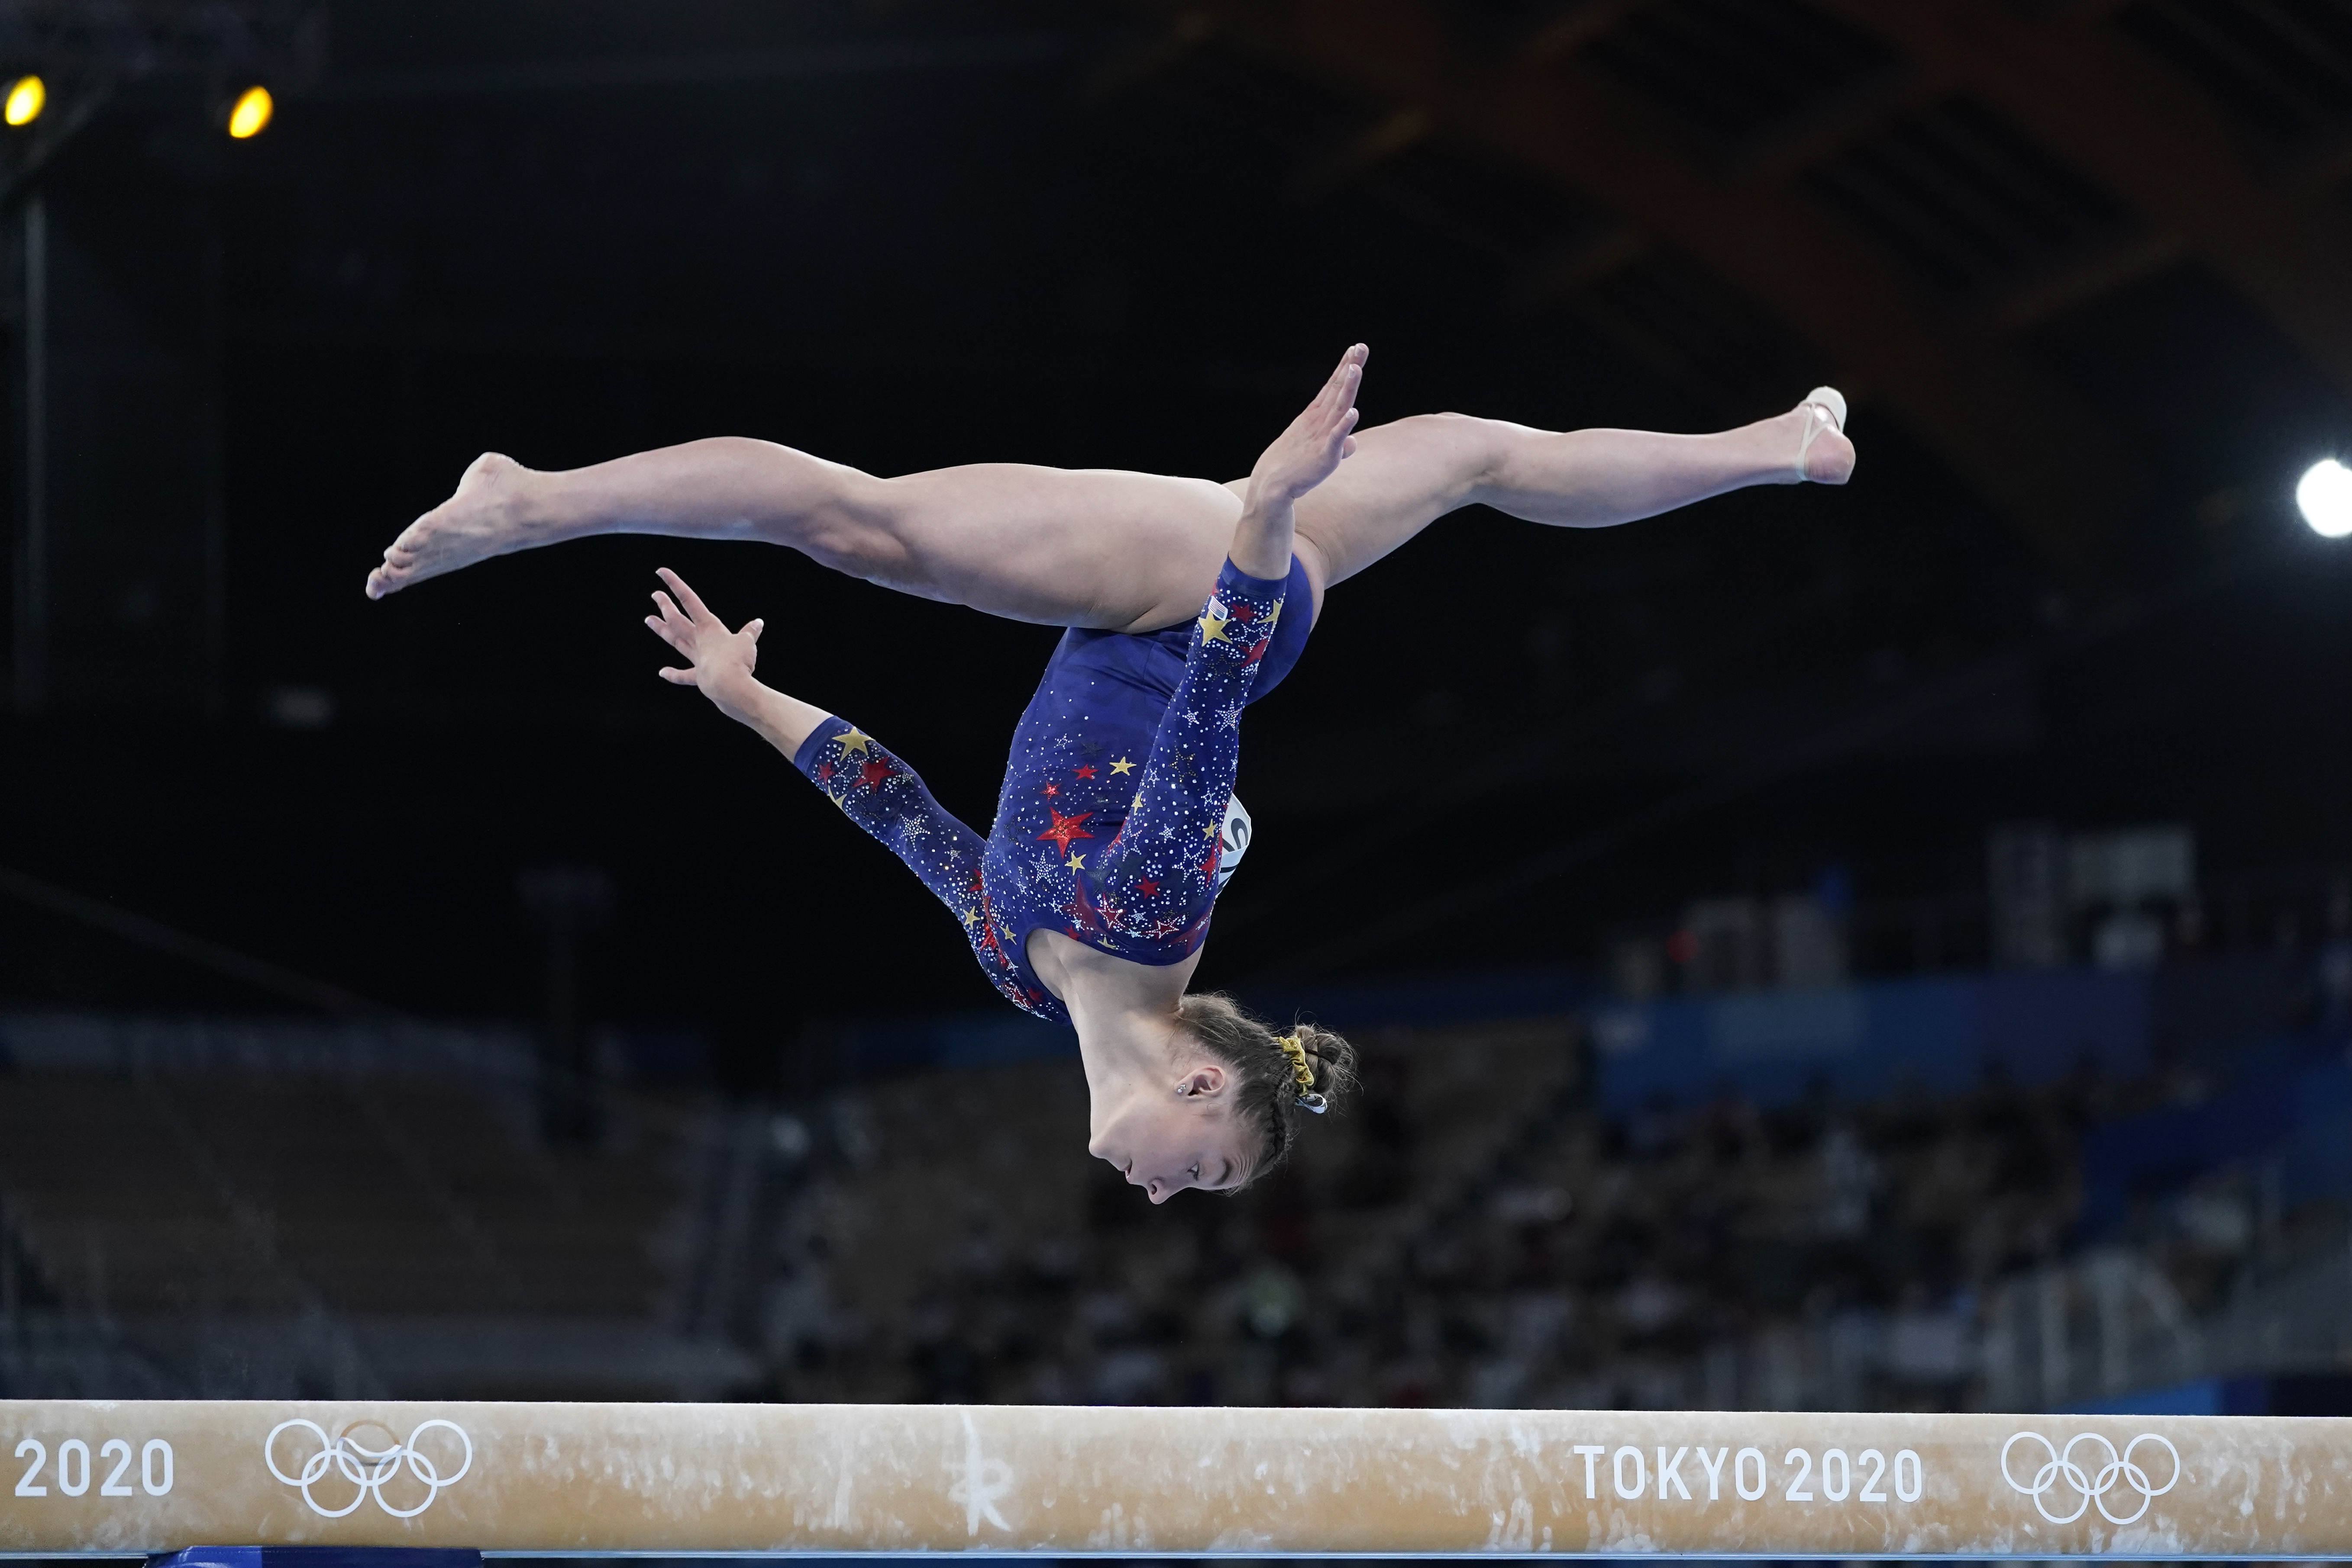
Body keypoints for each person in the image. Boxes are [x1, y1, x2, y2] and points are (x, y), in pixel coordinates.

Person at [364, 345, 1854, 1200]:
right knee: (855, 525)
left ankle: (1782, 446)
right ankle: (536, 501)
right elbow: (1209, 693)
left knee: (1475, 457)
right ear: (1204, 1075)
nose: (1164, 1198)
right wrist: (1261, 520)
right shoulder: (1144, 916)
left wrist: (756, 701)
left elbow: (905, 815)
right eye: (1204, 1171)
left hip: (1227, 594)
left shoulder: (1030, 973)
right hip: (1192, 599)